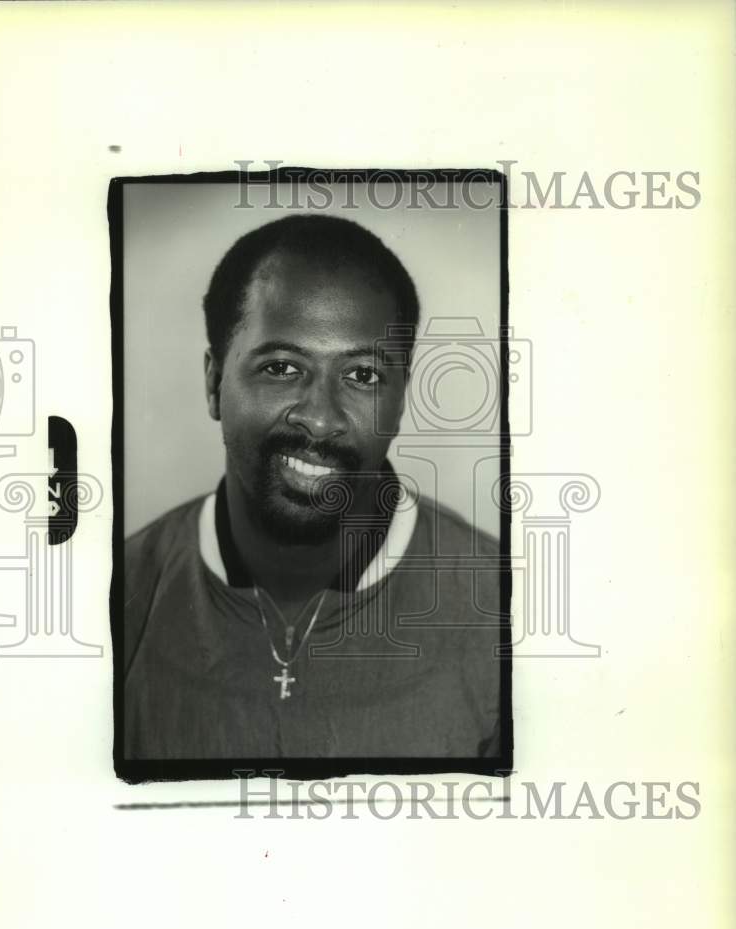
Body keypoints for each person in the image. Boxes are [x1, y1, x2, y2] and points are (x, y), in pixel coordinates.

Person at [123, 213, 503, 760]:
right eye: (281, 368)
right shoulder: (120, 599)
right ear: (214, 383)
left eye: (363, 375)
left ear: (400, 400)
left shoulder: (500, 613)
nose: (321, 419)